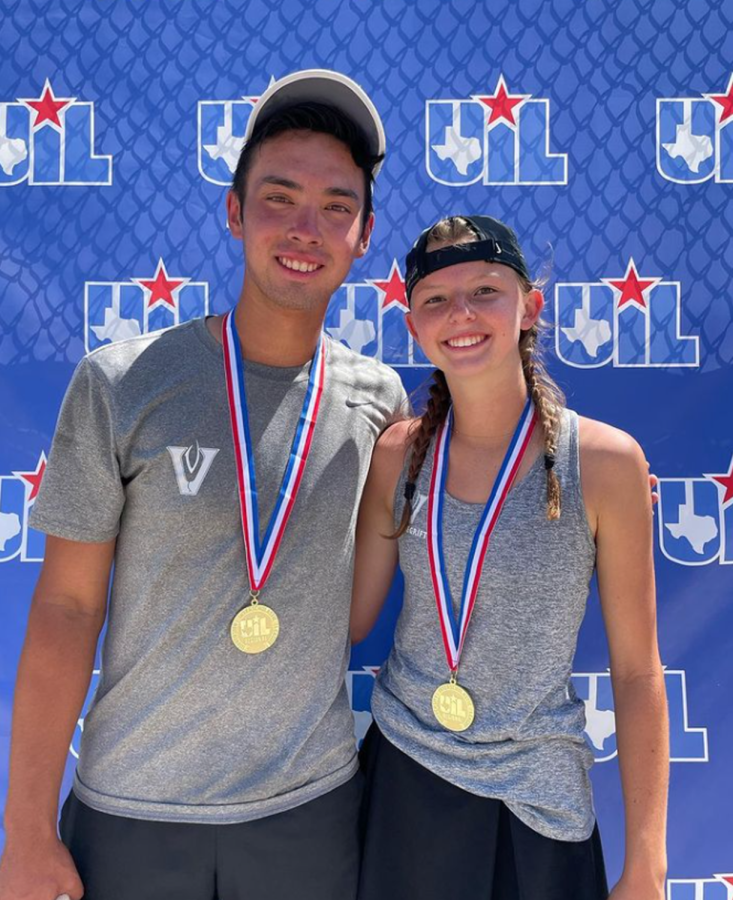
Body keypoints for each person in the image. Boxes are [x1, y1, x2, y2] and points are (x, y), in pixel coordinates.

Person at [0, 70, 407, 900]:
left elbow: (375, 593)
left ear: (364, 235)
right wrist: (26, 831)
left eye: (337, 206)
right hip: (131, 812)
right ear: (233, 211)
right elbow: (68, 607)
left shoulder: (379, 401)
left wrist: (582, 477)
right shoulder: (123, 381)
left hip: (308, 811)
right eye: (279, 197)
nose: (306, 228)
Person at [350, 215, 669, 900]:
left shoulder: (605, 463)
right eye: (435, 299)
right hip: (403, 783)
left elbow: (637, 670)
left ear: (529, 307)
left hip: (539, 806)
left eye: (485, 291)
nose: (459, 314)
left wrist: (646, 861)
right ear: (413, 327)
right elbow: (343, 622)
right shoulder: (396, 456)